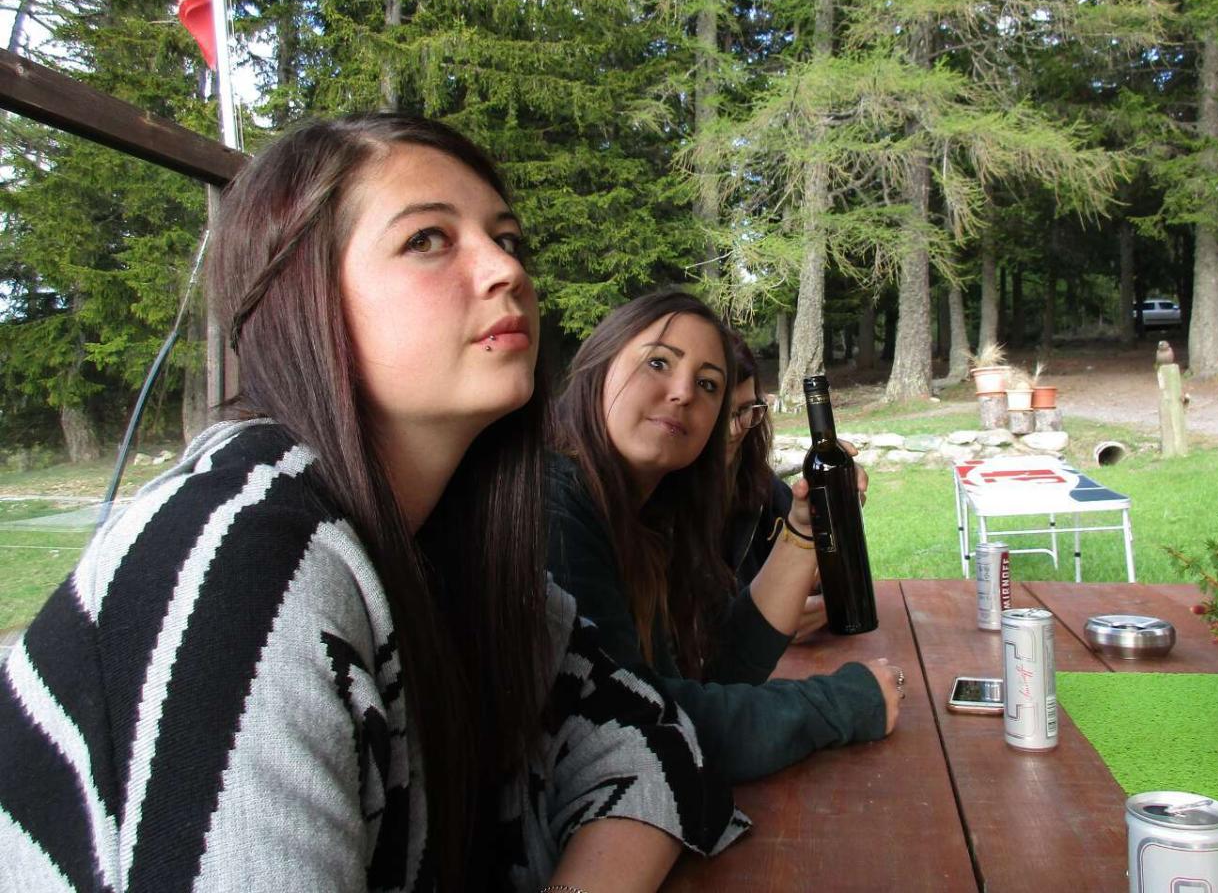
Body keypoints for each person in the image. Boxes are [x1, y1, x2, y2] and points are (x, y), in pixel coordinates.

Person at [0, 115, 742, 892]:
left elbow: (658, 739)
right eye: (427, 239)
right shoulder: (241, 553)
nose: (507, 270)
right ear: (305, 296)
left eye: (508, 240)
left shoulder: (458, 561)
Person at [546, 290, 902, 787]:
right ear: (598, 367)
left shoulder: (650, 518)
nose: (683, 393)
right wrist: (838, 703)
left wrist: (803, 527)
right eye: (658, 362)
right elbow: (636, 720)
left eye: (707, 384)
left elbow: (715, 671)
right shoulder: (552, 504)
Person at [723, 329, 865, 639]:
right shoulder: (651, 503)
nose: (734, 430)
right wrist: (760, 625)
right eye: (721, 414)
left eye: (746, 411)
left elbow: (820, 577)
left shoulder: (761, 487)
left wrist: (834, 527)